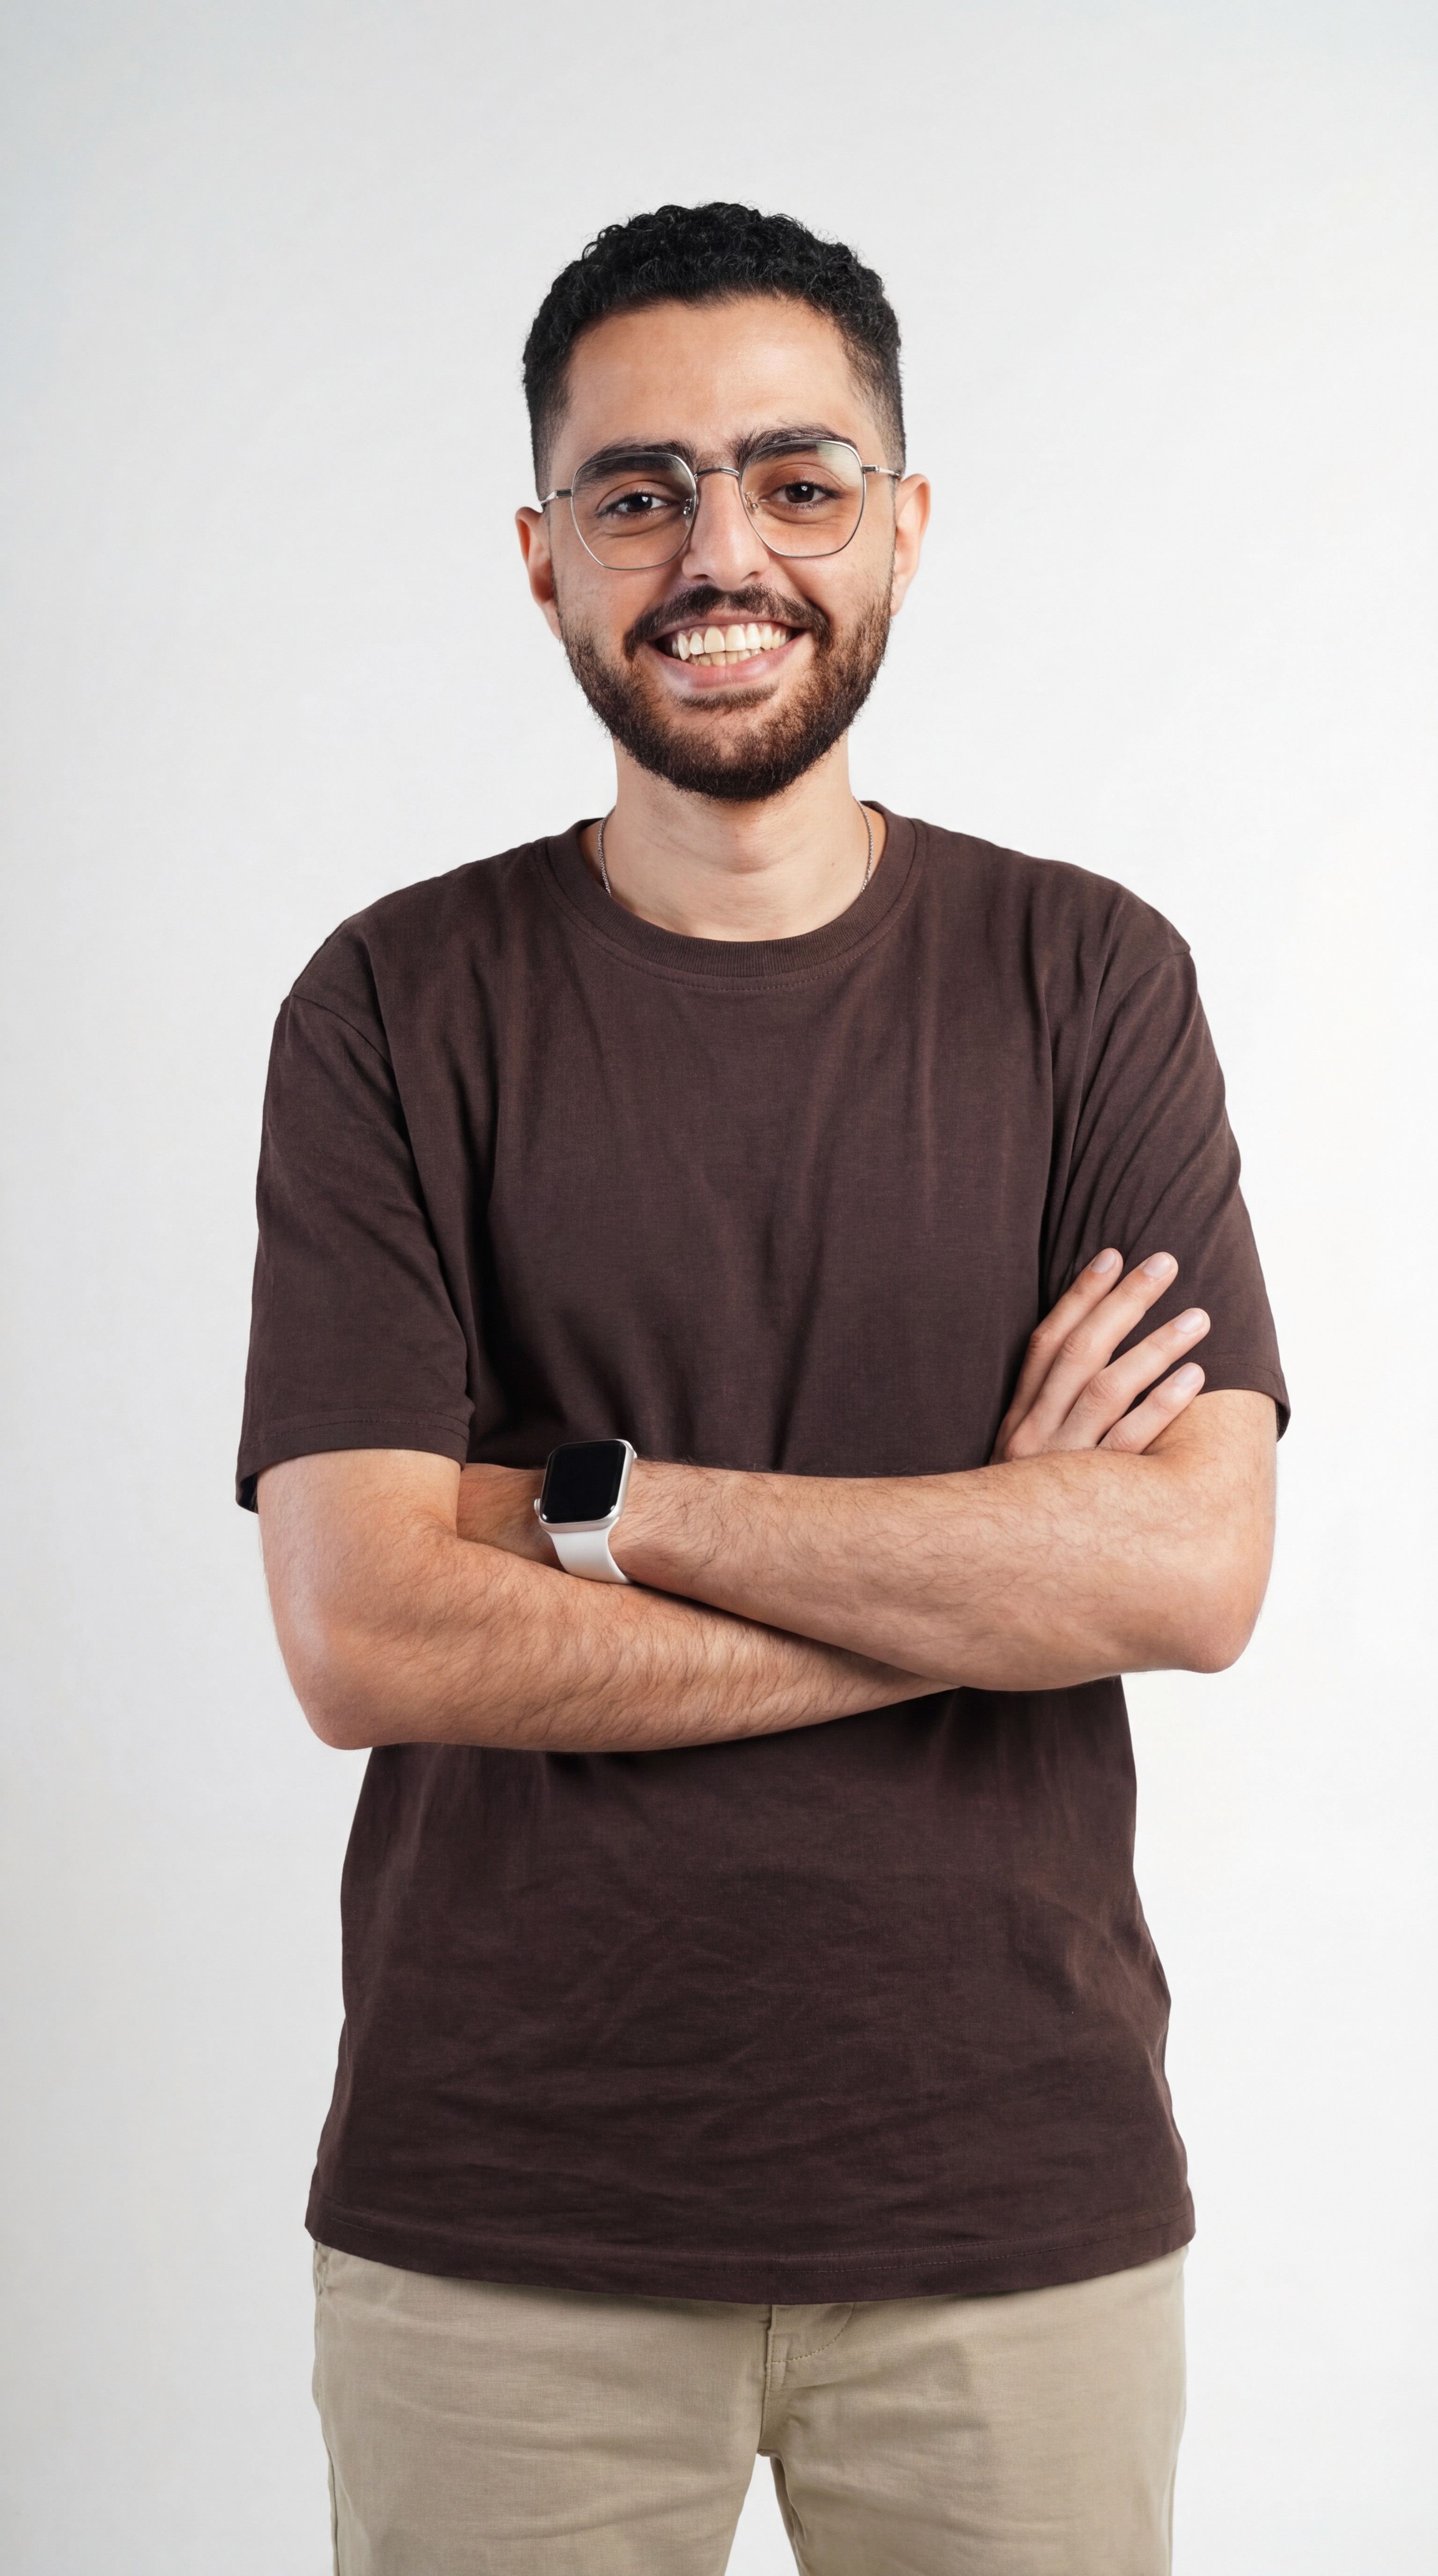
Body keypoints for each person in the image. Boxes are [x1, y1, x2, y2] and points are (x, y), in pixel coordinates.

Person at [239, 202, 1287, 2576]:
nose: (723, 554)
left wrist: (591, 1504)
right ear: (543, 555)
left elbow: (1191, 1569)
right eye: (642, 492)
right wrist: (980, 1570)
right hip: (499, 2221)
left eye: (798, 483)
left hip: (1012, 2201)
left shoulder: (1089, 979)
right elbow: (367, 1629)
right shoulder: (392, 1004)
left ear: (903, 523)